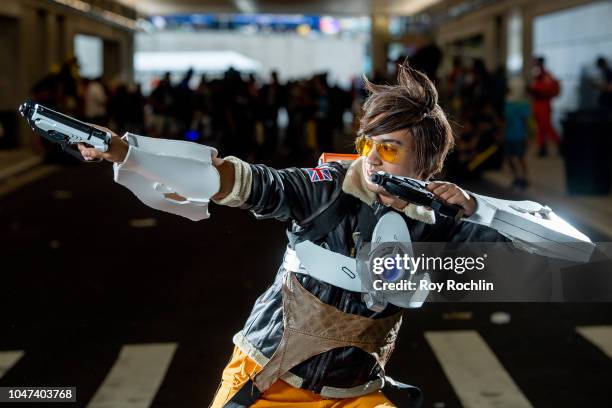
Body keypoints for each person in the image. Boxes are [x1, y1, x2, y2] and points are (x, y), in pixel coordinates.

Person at [75, 63, 568, 407]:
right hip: (265, 381)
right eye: (368, 143)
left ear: (427, 163)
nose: (374, 158)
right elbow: (236, 180)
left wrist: (482, 207)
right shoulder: (324, 190)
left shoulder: (438, 221)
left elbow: (559, 255)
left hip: (354, 396)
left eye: (392, 149)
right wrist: (126, 152)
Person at [527, 57, 561, 157]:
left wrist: (533, 89)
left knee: (546, 127)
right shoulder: (539, 75)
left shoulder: (545, 75)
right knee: (541, 128)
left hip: (543, 104)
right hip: (539, 104)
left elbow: (543, 89)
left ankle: (560, 145)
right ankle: (542, 148)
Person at [503, 77, 531, 190]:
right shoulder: (507, 101)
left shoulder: (523, 104)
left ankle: (524, 178)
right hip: (508, 134)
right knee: (509, 157)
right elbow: (505, 119)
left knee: (520, 157)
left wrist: (527, 136)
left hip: (519, 135)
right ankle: (516, 177)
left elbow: (526, 121)